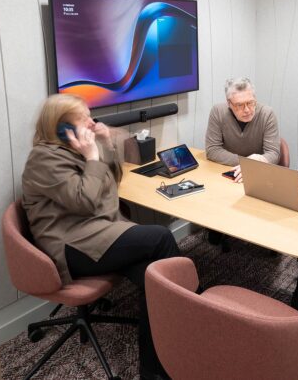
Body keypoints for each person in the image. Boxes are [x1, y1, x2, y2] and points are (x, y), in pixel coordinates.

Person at [22, 94, 180, 380]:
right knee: (161, 238)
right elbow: (85, 201)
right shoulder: (43, 158)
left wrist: (105, 144)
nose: (91, 122)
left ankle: (155, 369)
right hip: (72, 244)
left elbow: (111, 182)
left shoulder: (73, 149)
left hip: (96, 230)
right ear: (62, 128)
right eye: (83, 118)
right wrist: (92, 156)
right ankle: (190, 313)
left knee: (153, 276)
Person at [205, 77, 280, 183]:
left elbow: (273, 154)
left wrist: (257, 162)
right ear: (229, 103)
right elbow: (212, 150)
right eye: (239, 105)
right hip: (229, 173)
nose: (247, 110)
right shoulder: (218, 112)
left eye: (250, 103)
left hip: (258, 175)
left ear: (255, 98)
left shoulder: (267, 114)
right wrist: (247, 163)